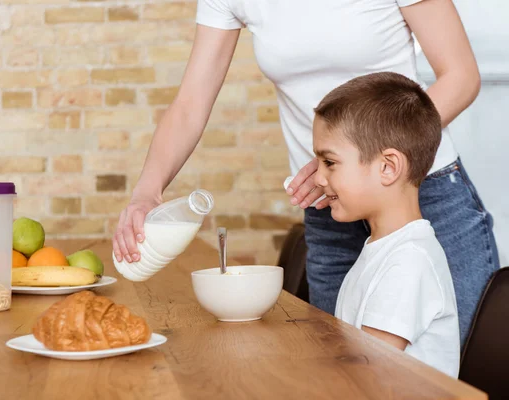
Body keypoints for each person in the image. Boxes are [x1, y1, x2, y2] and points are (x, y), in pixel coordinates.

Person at [112, 0, 499, 350]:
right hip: (329, 209)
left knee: (455, 374)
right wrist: (147, 192)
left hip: (421, 195)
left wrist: (358, 157)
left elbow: (461, 76)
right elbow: (189, 105)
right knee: (341, 367)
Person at [312, 71, 459, 377]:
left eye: (329, 163)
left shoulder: (408, 263)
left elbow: (364, 373)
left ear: (388, 168)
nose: (318, 178)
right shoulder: (384, 250)